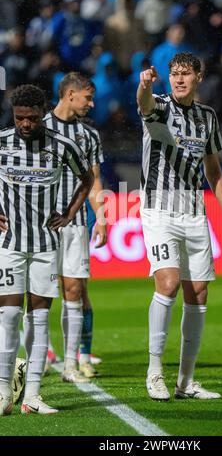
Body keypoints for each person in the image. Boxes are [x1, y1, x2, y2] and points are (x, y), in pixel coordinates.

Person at [137, 52, 222, 400]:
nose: (179, 79)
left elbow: (213, 167)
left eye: (185, 74)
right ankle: (154, 373)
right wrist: (144, 85)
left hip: (195, 212)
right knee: (167, 283)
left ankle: (186, 381)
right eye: (174, 74)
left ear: (198, 76)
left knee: (199, 293)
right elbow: (144, 103)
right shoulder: (160, 106)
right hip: (159, 211)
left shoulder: (207, 116)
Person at [0, 84, 93, 415]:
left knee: (39, 320)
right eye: (20, 118)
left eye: (32, 118)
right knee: (8, 317)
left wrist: (68, 214)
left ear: (43, 114)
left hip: (44, 245)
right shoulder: (2, 143)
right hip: (9, 244)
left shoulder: (61, 145)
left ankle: (33, 397)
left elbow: (87, 180)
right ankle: (2, 394)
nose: (25, 124)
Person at [44, 72, 107, 381]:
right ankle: (40, 354)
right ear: (70, 94)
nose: (92, 104)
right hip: (41, 224)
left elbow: (94, 181)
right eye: (87, 97)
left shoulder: (89, 136)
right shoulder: (39, 127)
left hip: (76, 222)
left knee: (76, 289)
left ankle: (75, 360)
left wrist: (102, 217)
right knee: (38, 291)